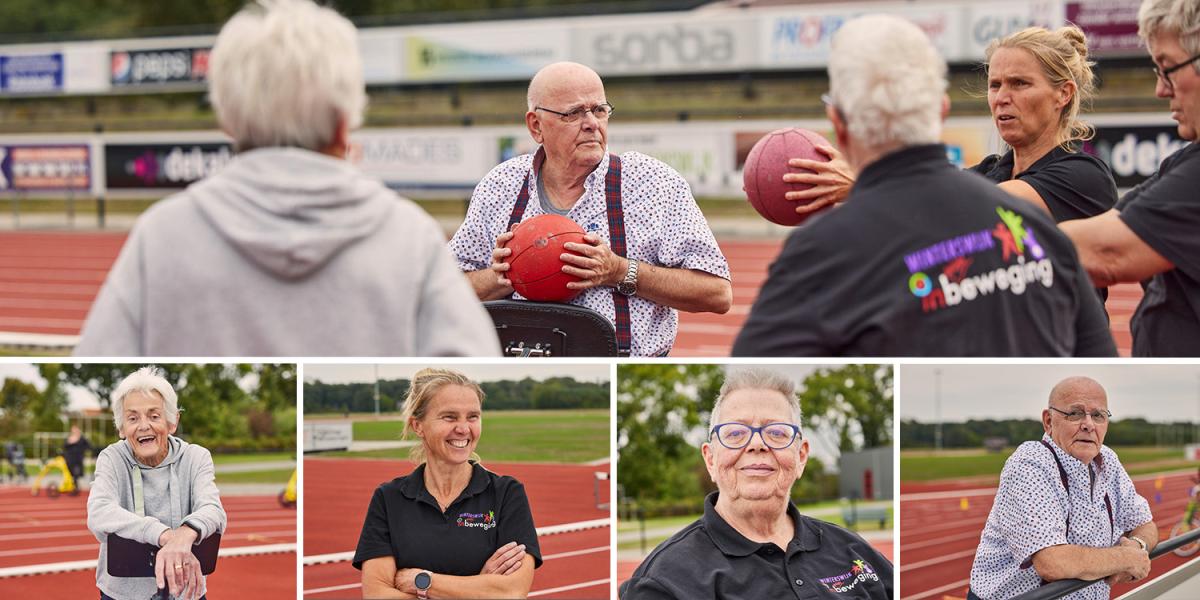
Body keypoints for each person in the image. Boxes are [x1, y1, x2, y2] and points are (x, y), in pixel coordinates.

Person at [74, 0, 498, 357]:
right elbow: (469, 370)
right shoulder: (409, 238)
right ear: (344, 121)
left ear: (227, 118)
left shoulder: (163, 236)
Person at [731, 14, 1115, 356]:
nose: (1001, 98)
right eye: (995, 84)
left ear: (1063, 93)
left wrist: (866, 183)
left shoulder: (1084, 176)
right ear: (942, 111)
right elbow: (930, 204)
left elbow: (986, 210)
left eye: (1019, 83)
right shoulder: (984, 174)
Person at [448, 61, 732, 357]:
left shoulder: (653, 183)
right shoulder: (500, 186)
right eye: (573, 113)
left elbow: (716, 293)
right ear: (536, 126)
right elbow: (446, 290)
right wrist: (505, 275)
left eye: (599, 110)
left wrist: (619, 270)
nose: (592, 123)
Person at [621, 368, 892, 599]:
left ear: (801, 456)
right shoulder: (665, 581)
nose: (757, 444)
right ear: (710, 459)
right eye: (736, 433)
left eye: (776, 432)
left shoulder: (853, 550)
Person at [1059, 0, 1200, 356]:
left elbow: (1104, 252)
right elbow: (1112, 227)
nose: (1161, 90)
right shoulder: (1182, 163)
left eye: (1167, 68)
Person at [353, 368, 541, 598]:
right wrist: (480, 586)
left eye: (473, 416)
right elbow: (377, 596)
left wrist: (422, 582)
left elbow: (512, 591)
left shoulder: (507, 493)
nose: (463, 429)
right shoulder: (389, 498)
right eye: (449, 417)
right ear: (418, 425)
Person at [969, 376, 1156, 600]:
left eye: (1098, 415)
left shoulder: (1108, 459)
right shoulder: (1029, 464)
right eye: (1075, 413)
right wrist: (1125, 559)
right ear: (1048, 421)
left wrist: (1137, 545)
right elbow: (1053, 563)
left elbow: (1146, 524)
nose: (1088, 424)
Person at [87, 367, 227, 600]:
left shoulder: (196, 457)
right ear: (121, 428)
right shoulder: (111, 458)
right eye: (132, 418)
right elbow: (99, 513)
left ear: (172, 422)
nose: (144, 426)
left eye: (154, 416)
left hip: (185, 591)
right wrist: (164, 535)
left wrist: (184, 535)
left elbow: (214, 511)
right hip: (122, 595)